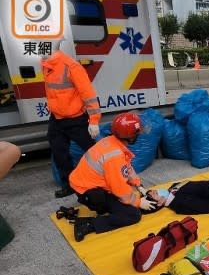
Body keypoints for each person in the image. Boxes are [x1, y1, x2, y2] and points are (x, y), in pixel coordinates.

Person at [68, 112, 157, 242]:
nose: (138, 135)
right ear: (131, 136)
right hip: (89, 192)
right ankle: (88, 224)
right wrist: (139, 202)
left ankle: (102, 206)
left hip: (88, 184)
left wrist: (139, 186)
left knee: (127, 202)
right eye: (137, 133)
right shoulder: (114, 157)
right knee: (133, 215)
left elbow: (126, 168)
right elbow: (120, 189)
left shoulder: (111, 142)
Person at [43, 44, 102, 198]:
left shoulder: (71, 66)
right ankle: (69, 185)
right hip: (56, 119)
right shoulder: (46, 65)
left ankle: (105, 179)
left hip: (76, 119)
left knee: (94, 152)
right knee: (59, 153)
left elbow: (88, 93)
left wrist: (94, 120)